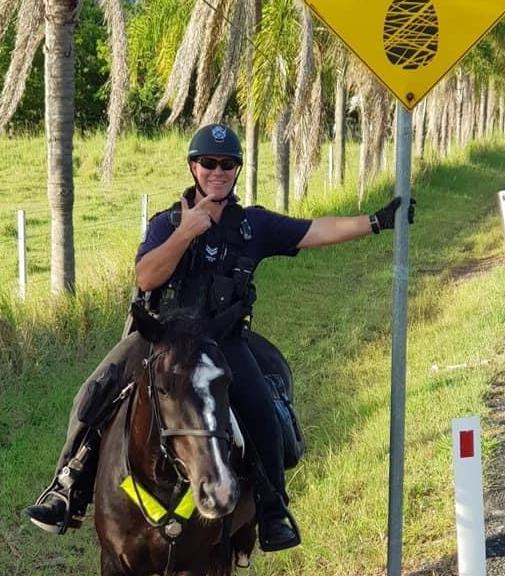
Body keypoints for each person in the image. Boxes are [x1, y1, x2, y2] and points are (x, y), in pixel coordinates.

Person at [26, 123, 414, 552]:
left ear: (236, 170)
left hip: (223, 342)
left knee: (265, 415)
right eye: (208, 163)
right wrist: (188, 231)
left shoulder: (253, 226)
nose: (217, 171)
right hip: (159, 339)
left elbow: (315, 230)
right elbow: (146, 275)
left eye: (227, 164)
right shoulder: (166, 223)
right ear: (193, 167)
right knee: (94, 391)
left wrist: (377, 221)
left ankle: (271, 508)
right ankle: (66, 487)